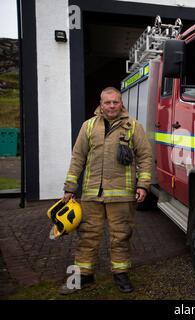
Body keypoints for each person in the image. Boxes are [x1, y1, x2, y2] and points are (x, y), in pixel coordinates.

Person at [59, 87, 152, 294]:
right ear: (101, 104)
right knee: (87, 236)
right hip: (92, 194)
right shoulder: (88, 126)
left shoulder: (134, 127)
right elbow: (78, 158)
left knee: (121, 236)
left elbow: (145, 158)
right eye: (107, 102)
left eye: (115, 102)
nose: (111, 106)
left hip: (122, 194)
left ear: (121, 103)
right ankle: (83, 276)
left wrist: (143, 185)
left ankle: (121, 275)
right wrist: (69, 188)